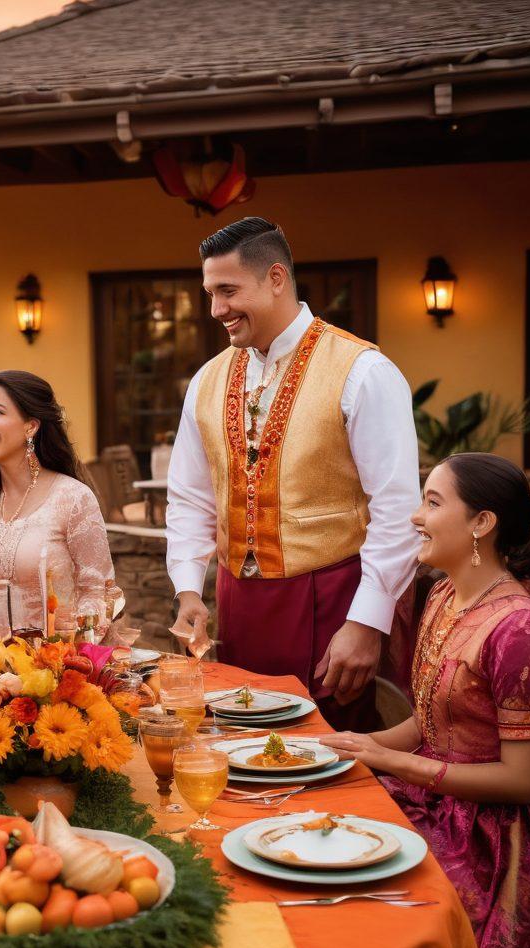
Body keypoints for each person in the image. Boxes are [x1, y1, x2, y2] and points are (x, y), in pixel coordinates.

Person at [166, 217, 420, 730]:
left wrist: (367, 621)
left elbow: (397, 509)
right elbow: (191, 497)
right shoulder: (207, 380)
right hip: (237, 601)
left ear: (276, 278)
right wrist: (189, 588)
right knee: (240, 740)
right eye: (210, 292)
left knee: (328, 750)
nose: (216, 309)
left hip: (331, 602)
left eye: (228, 291)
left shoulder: (363, 372)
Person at [326, 454, 530, 948]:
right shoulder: (441, 596)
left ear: (482, 523)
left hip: (483, 838)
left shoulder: (518, 628)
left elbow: (522, 780)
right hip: (425, 801)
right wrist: (350, 747)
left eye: (433, 503)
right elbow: (429, 722)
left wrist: (391, 761)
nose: (416, 517)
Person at [0, 370, 114, 636]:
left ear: (31, 426)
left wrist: (79, 621)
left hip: (55, 664)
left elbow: (99, 592)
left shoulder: (72, 497)